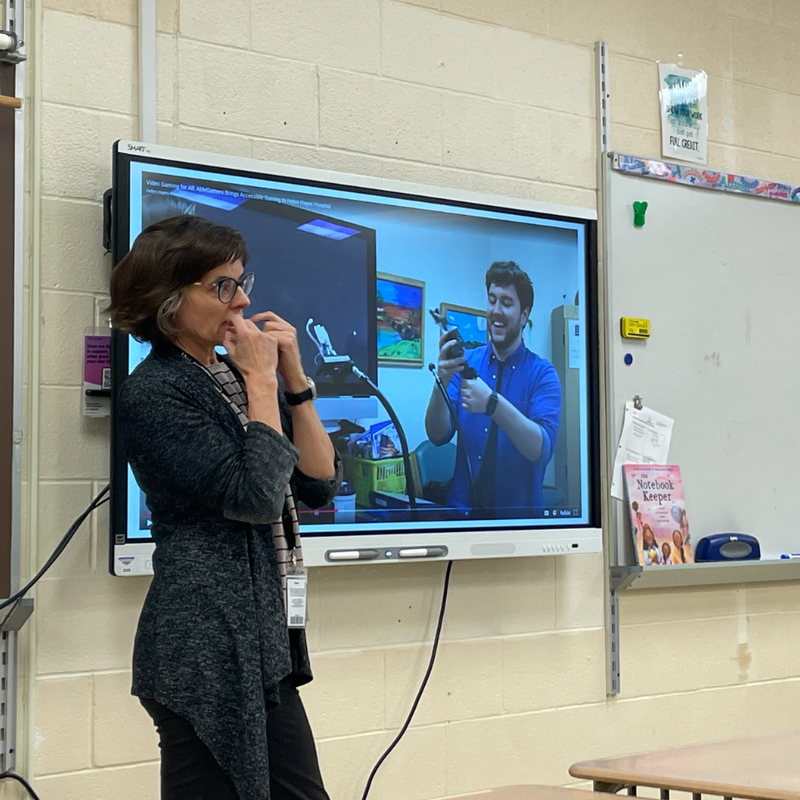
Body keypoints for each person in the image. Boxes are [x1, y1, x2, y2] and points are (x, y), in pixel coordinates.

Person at [108, 215, 340, 800]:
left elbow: (318, 483)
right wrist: (261, 380)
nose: (243, 300)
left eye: (242, 281)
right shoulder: (155, 391)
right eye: (223, 286)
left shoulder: (233, 380)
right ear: (168, 300)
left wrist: (294, 381)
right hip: (203, 649)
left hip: (262, 642)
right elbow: (258, 499)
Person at [424, 261, 561, 516]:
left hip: (519, 526)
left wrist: (492, 404)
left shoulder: (543, 375)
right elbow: (437, 435)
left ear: (524, 315)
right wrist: (441, 381)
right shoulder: (466, 363)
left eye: (507, 303)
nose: (496, 311)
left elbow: (541, 450)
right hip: (462, 519)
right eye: (492, 300)